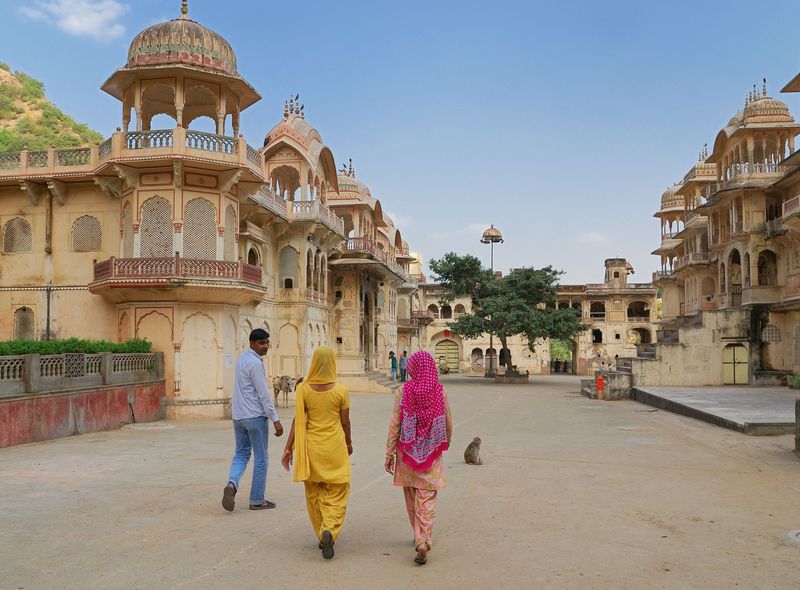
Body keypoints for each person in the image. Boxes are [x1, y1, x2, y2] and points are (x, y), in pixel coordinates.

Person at [281, 346, 352, 560]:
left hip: (310, 448)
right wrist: (348, 443)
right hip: (334, 447)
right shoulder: (341, 390)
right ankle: (329, 528)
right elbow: (345, 421)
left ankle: (321, 531)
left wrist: (288, 447)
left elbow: (298, 420)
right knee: (338, 490)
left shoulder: (303, 388)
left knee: (314, 492)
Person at [385, 350, 453, 565]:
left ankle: (418, 535)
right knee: (427, 498)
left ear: (413, 368)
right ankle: (423, 538)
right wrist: (444, 443)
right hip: (431, 453)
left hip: (406, 452)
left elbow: (395, 423)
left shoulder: (403, 391)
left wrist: (389, 452)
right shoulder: (439, 391)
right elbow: (448, 422)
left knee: (412, 495)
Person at [222, 328, 283, 512]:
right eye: (261, 343)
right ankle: (257, 499)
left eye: (267, 342)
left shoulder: (242, 358)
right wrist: (276, 419)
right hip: (254, 416)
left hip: (239, 415)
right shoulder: (255, 363)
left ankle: (232, 484)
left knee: (241, 453)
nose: (266, 346)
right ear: (252, 343)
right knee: (261, 458)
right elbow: (263, 394)